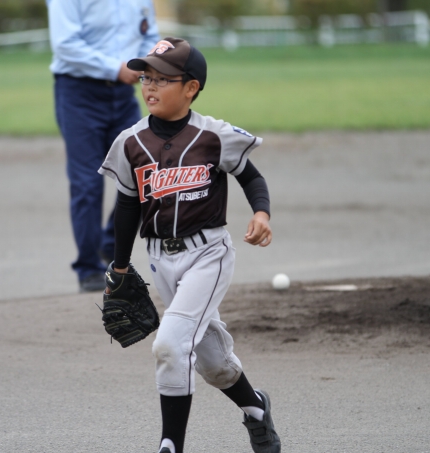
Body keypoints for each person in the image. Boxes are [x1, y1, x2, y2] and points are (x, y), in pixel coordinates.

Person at [99, 37, 281, 453]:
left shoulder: (214, 135)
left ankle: (170, 445)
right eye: (146, 77)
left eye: (162, 79)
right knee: (213, 362)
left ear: (191, 88)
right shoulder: (130, 142)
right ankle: (256, 409)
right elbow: (127, 205)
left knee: (169, 346)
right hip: (160, 260)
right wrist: (120, 266)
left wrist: (261, 213)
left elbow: (251, 177)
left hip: (208, 255)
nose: (150, 86)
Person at [45, 0, 160, 292]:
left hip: (124, 95)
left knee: (144, 172)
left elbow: (149, 35)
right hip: (78, 93)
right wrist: (114, 68)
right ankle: (88, 268)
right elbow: (65, 44)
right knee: (87, 182)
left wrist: (142, 63)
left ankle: (110, 245)